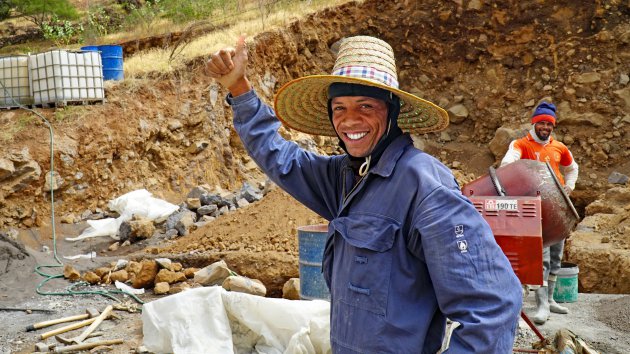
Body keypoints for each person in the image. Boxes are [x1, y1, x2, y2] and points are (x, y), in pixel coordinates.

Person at [207, 35, 522, 353]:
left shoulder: (424, 186)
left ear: (392, 113)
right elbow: (279, 157)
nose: (350, 119)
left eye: (366, 106)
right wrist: (239, 88)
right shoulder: (345, 177)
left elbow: (493, 307)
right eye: (339, 107)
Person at [500, 101, 579, 325]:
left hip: (559, 208)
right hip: (536, 210)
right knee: (542, 257)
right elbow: (507, 163)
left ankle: (551, 299)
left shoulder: (559, 147)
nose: (545, 127)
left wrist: (570, 187)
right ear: (534, 124)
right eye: (541, 123)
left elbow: (573, 168)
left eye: (549, 124)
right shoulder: (521, 144)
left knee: (556, 255)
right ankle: (541, 303)